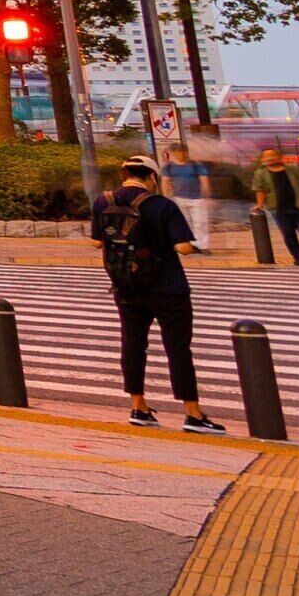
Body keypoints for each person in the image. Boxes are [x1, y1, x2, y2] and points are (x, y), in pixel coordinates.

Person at [91, 158, 221, 433]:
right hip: (168, 286)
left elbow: (96, 241)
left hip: (126, 285)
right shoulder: (162, 204)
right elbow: (183, 247)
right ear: (151, 176)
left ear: (123, 174)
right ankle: (193, 413)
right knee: (178, 348)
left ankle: (139, 406)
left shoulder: (103, 202)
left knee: (133, 343)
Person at [257, 150, 299, 268]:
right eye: (266, 156)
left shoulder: (293, 170)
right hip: (279, 209)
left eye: (272, 155)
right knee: (288, 234)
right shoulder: (261, 173)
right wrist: (260, 204)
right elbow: (260, 189)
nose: (269, 158)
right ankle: (298, 257)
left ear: (279, 157)